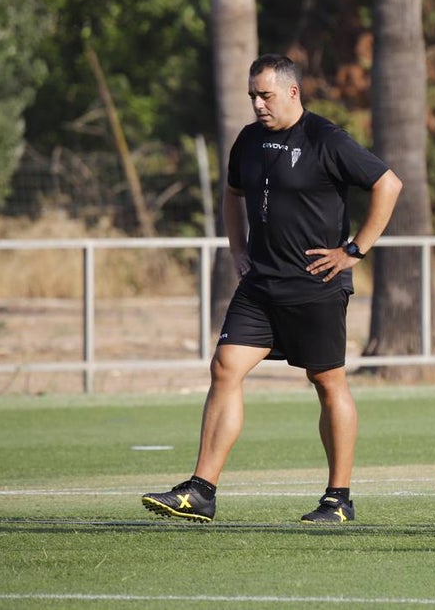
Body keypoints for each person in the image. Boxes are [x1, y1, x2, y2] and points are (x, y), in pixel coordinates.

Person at [142, 53, 402, 524]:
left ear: (292, 92)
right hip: (260, 285)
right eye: (252, 96)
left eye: (265, 95)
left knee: (327, 382)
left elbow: (388, 184)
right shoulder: (247, 140)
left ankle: (338, 499)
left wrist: (354, 250)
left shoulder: (326, 138)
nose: (258, 104)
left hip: (317, 284)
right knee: (224, 367)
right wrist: (237, 248)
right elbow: (233, 193)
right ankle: (201, 490)